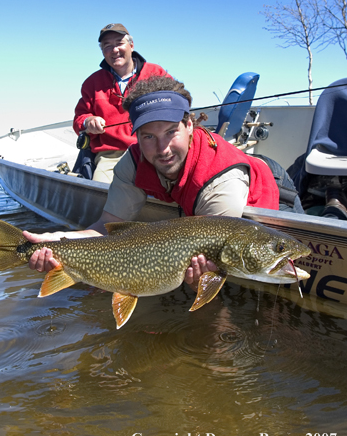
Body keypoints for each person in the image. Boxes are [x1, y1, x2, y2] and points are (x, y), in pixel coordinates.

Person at [25, 76, 303, 289]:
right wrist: (55, 242)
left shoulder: (222, 181)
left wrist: (200, 281)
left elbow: (216, 269)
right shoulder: (133, 162)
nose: (163, 149)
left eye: (171, 132)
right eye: (148, 136)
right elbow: (104, 229)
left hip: (271, 187)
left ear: (190, 125)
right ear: (136, 136)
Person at [73, 23, 169, 183]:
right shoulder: (92, 83)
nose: (114, 50)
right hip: (111, 155)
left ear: (131, 45)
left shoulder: (156, 73)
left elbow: (177, 103)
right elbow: (79, 120)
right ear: (102, 52)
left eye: (119, 43)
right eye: (107, 46)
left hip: (155, 149)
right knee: (101, 192)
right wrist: (88, 121)